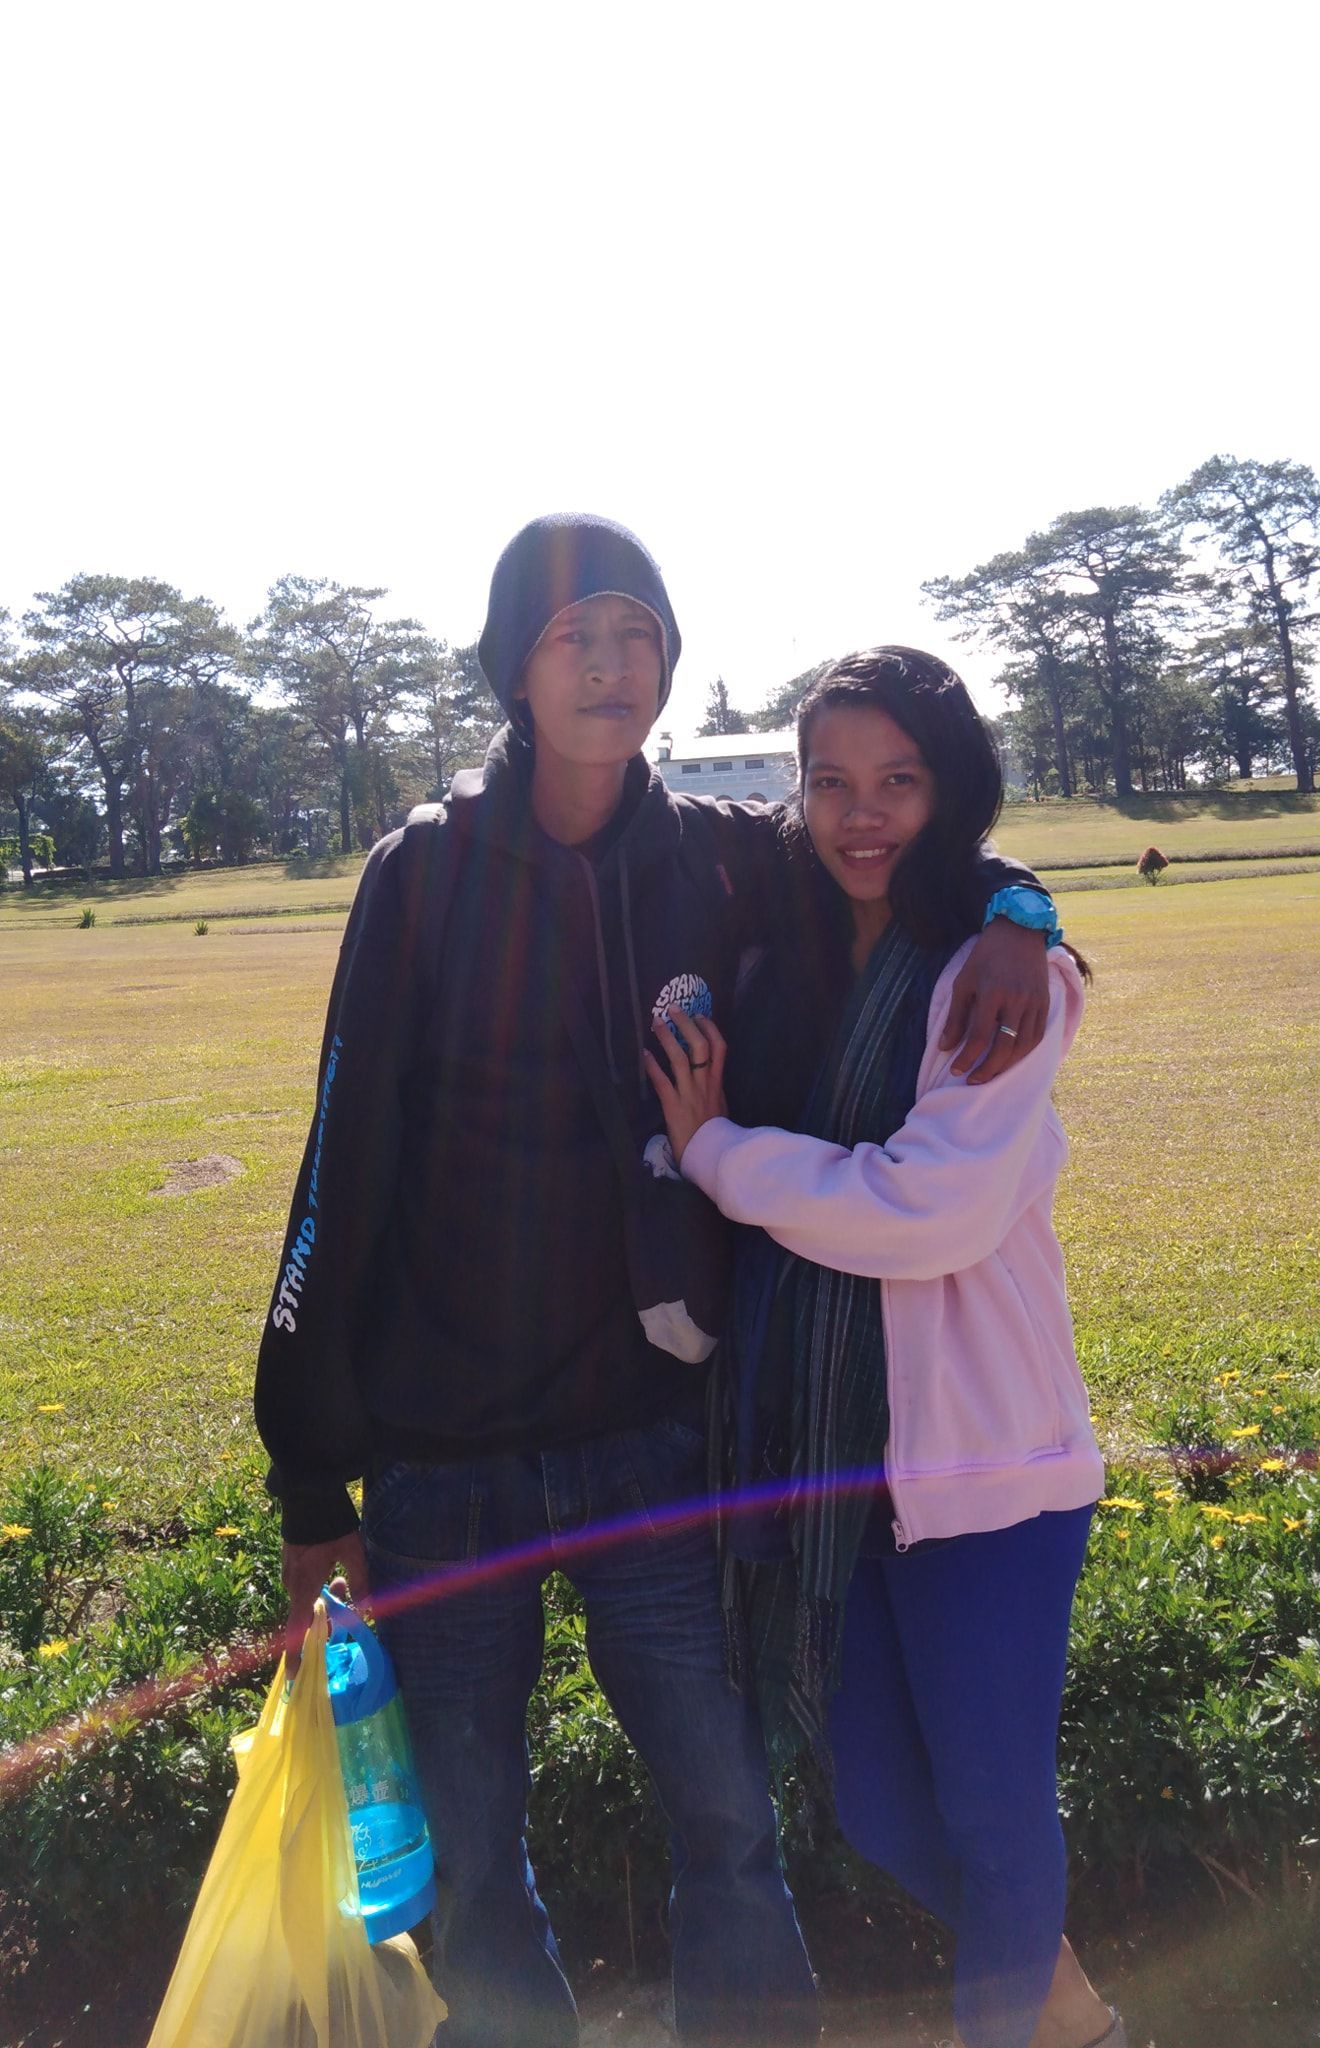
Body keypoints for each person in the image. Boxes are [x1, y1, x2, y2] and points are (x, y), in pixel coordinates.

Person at [253, 519, 1065, 2048]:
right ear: (515, 664)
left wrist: (1020, 905)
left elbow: (888, 838)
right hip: (444, 1467)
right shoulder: (419, 876)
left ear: (669, 664)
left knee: (731, 1829)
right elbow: (335, 1172)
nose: (610, 664)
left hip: (651, 1445)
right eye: (574, 636)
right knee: (472, 1868)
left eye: (636, 633)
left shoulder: (717, 853)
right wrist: (315, 1482)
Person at [645, 647, 1124, 2048]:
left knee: (988, 1806)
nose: (864, 816)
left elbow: (931, 1213)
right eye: (833, 783)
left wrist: (719, 1154)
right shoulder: (783, 945)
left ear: (950, 786)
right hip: (830, 1456)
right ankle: (1064, 2004)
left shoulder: (1001, 977)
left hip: (985, 1458)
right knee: (877, 1807)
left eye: (900, 782)